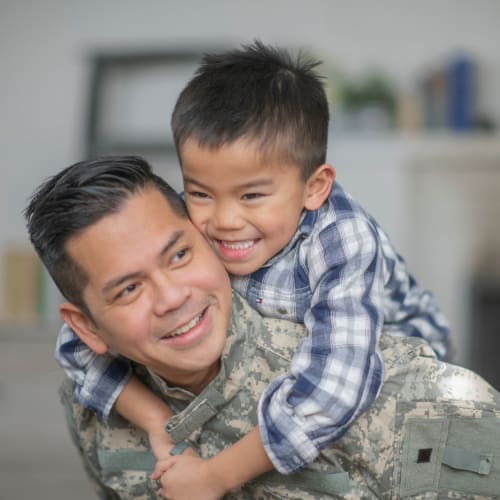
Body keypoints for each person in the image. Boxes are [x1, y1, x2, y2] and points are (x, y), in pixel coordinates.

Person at [55, 41, 452, 477]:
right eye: (201, 192)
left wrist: (216, 476)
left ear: (314, 188)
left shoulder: (342, 239)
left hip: (395, 361)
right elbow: (79, 344)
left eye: (252, 196)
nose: (224, 221)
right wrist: (157, 422)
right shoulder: (192, 219)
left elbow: (335, 387)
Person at [25, 157, 500, 499]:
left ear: (210, 236)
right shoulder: (93, 412)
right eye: (128, 290)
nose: (172, 298)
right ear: (86, 327)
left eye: (179, 255)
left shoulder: (417, 398)